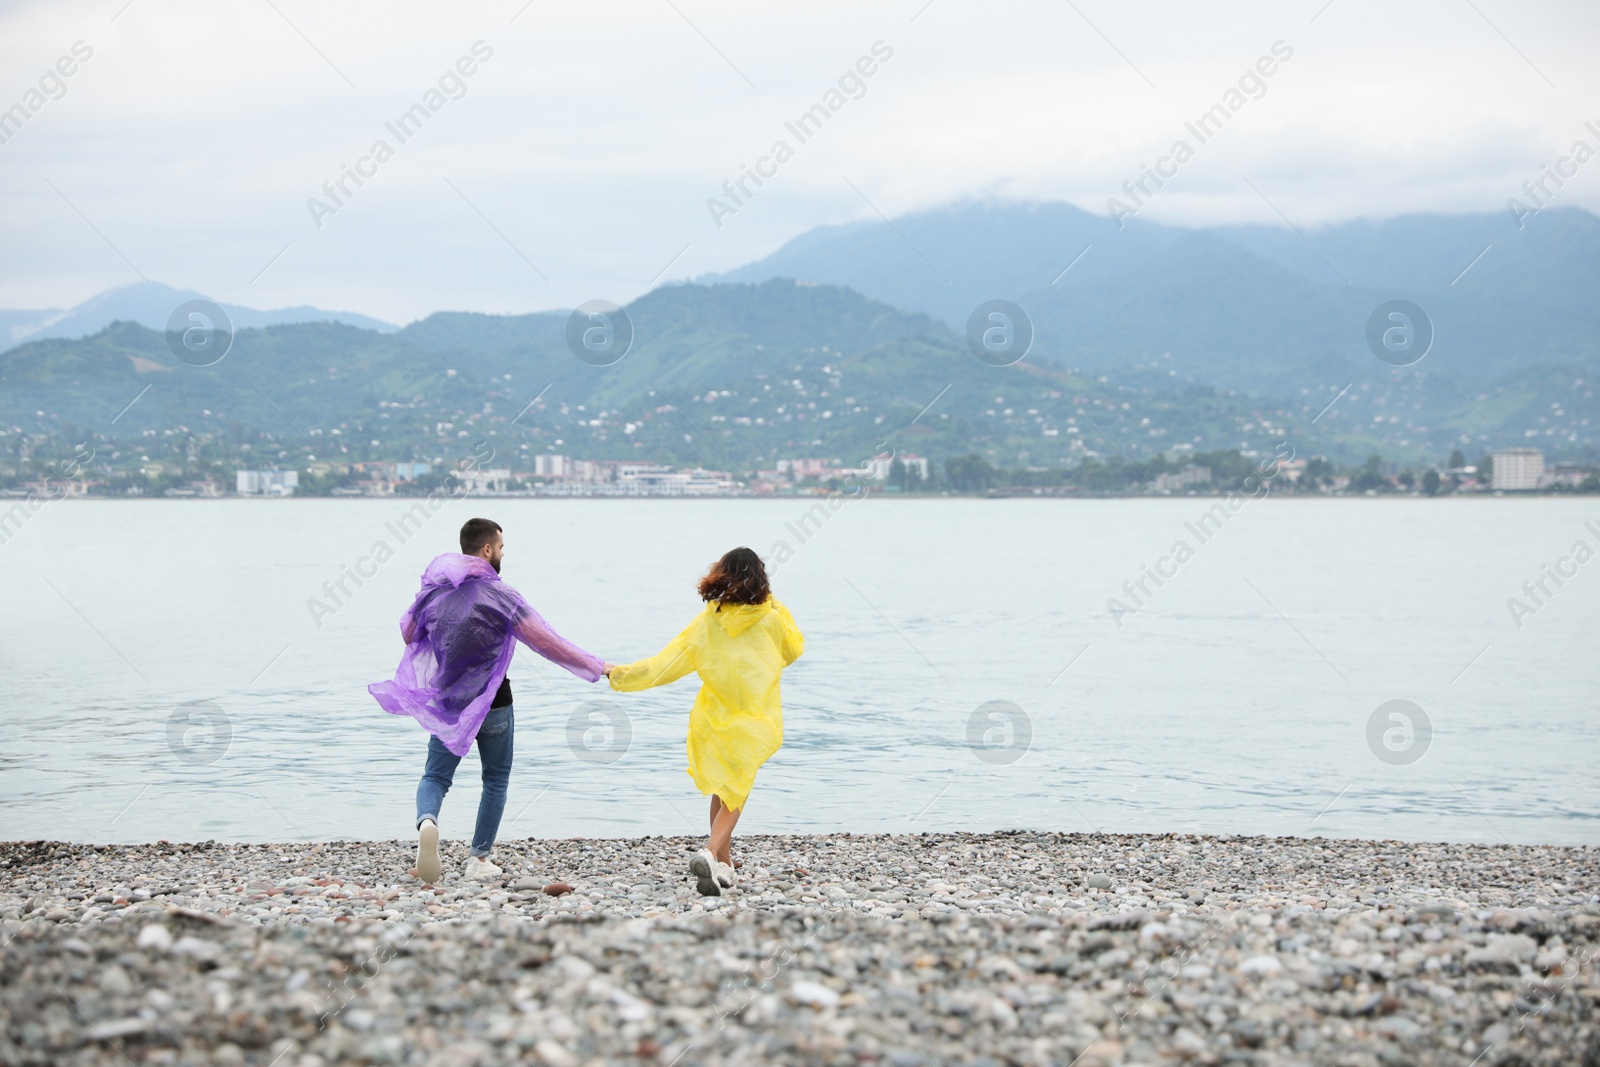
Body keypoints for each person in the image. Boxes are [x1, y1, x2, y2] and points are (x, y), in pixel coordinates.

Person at [370, 518, 611, 883]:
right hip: (496, 704)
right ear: (486, 550)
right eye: (500, 547)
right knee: (495, 780)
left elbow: (409, 634)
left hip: (451, 703)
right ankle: (478, 859)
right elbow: (547, 642)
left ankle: (428, 822)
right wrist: (598, 666)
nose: (501, 554)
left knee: (435, 775)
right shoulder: (502, 596)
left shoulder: (434, 594)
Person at [606, 547, 803, 896]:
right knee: (736, 789)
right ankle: (711, 852)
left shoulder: (708, 622)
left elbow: (664, 665)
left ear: (722, 576)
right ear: (760, 580)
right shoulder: (771, 620)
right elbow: (793, 649)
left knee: (722, 787)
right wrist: (772, 603)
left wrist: (619, 674)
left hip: (712, 717)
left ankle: (724, 866)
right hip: (754, 719)